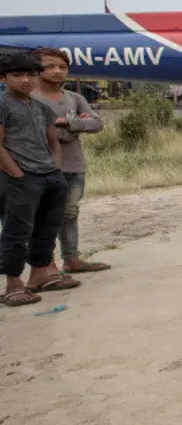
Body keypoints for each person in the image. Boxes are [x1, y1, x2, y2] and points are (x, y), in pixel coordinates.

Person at [0, 52, 79, 306]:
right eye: (18, 75)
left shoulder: (40, 106)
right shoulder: (2, 104)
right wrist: (17, 173)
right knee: (17, 230)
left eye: (31, 75)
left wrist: (55, 170)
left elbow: (52, 140)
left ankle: (39, 276)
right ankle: (13, 285)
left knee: (47, 228)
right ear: (4, 78)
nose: (26, 80)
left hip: (49, 176)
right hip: (20, 179)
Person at [30, 48, 110, 273]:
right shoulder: (29, 98)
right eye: (50, 66)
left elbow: (96, 124)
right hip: (40, 166)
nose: (57, 71)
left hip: (73, 164)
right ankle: (47, 265)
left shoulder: (75, 98)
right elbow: (32, 127)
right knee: (43, 215)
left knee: (70, 212)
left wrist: (65, 122)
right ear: (37, 69)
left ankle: (72, 259)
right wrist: (73, 122)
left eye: (62, 67)